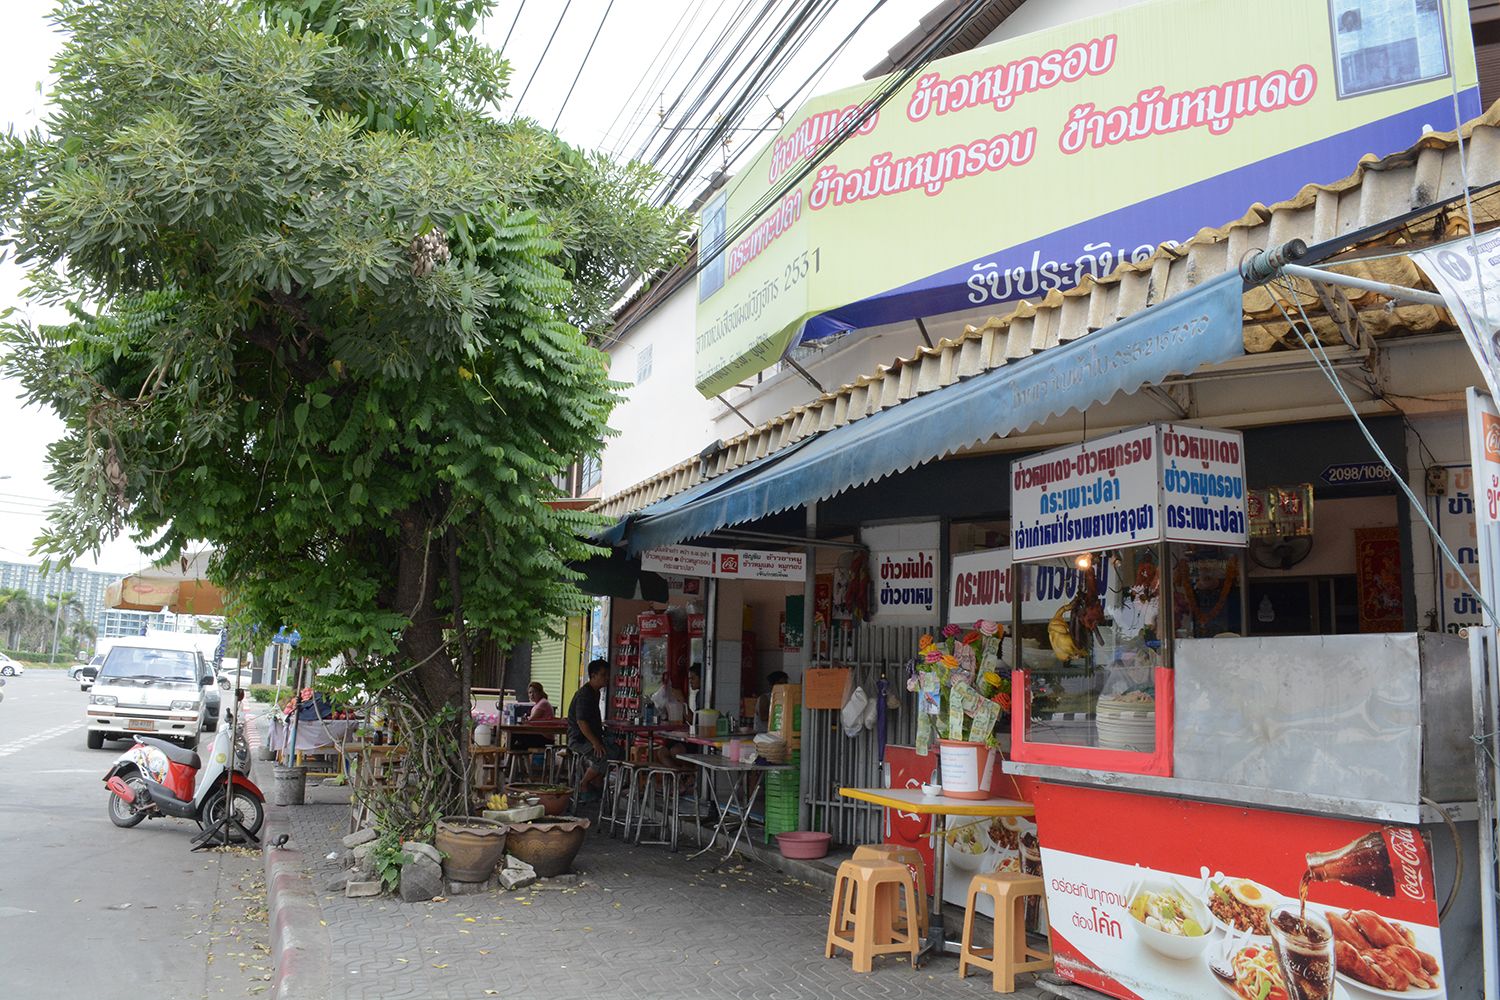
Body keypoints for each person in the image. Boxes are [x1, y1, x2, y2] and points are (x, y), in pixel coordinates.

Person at [567, 658, 621, 803]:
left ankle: (597, 782)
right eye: (603, 675)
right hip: (579, 740)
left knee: (616, 752)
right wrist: (596, 742)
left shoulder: (595, 693)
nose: (606, 678)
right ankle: (583, 784)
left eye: (607, 675)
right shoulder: (585, 695)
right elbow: (581, 721)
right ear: (593, 675)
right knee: (603, 757)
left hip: (592, 738)